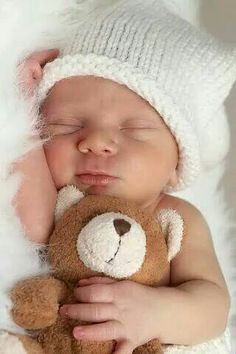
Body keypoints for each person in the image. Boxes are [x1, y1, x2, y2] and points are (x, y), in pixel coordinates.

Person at [13, 0, 236, 352]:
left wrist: (156, 313)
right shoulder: (59, 202)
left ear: (176, 164)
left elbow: (213, 306)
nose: (96, 142)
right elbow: (33, 223)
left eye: (134, 129)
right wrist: (17, 109)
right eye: (68, 125)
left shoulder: (175, 218)